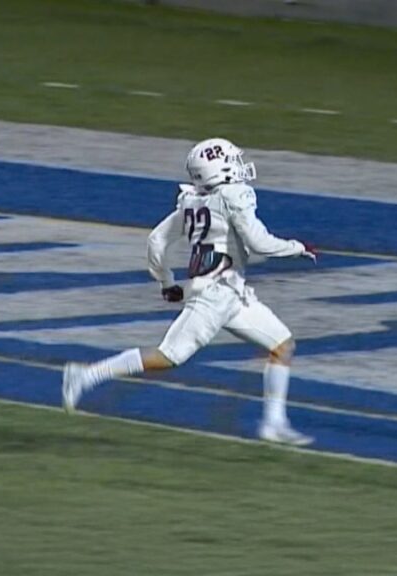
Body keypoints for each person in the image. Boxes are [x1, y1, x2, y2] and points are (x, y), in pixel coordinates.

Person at [62, 138, 318, 445]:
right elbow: (259, 242)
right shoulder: (233, 196)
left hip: (232, 294)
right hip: (214, 295)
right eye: (231, 160)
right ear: (218, 169)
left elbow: (157, 241)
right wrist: (297, 248)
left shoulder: (193, 200)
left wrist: (166, 282)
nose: (238, 166)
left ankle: (274, 424)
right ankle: (86, 375)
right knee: (167, 357)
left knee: (282, 345)